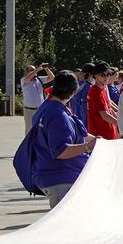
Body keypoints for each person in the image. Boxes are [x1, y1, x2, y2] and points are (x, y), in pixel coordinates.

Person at [30, 71, 97, 209]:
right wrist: (87, 147)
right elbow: (61, 151)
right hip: (61, 178)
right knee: (65, 227)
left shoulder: (46, 107)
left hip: (54, 175)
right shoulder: (58, 115)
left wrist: (98, 142)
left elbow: (79, 134)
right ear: (73, 91)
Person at [86, 66, 120, 140]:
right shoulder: (95, 91)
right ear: (95, 75)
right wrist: (122, 125)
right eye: (103, 75)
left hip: (109, 134)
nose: (106, 77)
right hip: (102, 136)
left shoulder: (103, 89)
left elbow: (109, 109)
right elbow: (104, 115)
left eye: (108, 74)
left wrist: (120, 119)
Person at [19, 62, 53, 130]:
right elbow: (28, 78)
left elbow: (52, 77)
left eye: (33, 70)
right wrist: (38, 69)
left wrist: (46, 68)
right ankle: (29, 141)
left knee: (41, 128)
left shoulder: (39, 79)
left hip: (40, 109)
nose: (33, 71)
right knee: (29, 129)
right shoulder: (24, 80)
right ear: (26, 72)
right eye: (31, 70)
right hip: (29, 110)